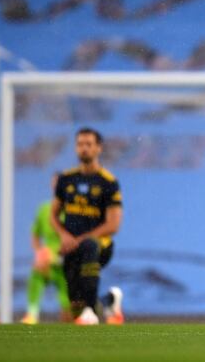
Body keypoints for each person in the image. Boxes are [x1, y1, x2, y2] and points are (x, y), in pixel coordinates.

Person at [50, 127, 125, 325]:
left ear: (99, 148)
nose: (84, 148)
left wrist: (80, 239)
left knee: (89, 246)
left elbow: (114, 224)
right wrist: (64, 236)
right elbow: (53, 215)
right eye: (80, 144)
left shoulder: (108, 182)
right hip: (70, 245)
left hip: (100, 245)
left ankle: (91, 309)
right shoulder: (66, 180)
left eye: (89, 144)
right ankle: (108, 301)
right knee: (75, 305)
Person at [21, 174, 71, 324]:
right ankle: (32, 314)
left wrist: (60, 257)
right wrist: (39, 253)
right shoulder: (44, 209)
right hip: (47, 262)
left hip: (67, 263)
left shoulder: (73, 211)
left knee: (68, 311)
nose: (57, 188)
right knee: (36, 275)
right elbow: (35, 235)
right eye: (55, 184)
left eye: (60, 184)